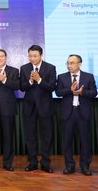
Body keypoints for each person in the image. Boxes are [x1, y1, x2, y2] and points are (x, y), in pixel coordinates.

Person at [55, 54, 97, 176]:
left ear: (79, 64)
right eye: (68, 63)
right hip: (67, 113)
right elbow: (58, 92)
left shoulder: (88, 77)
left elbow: (94, 93)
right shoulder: (62, 77)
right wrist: (70, 90)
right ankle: (69, 166)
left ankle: (85, 166)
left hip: (83, 112)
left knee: (85, 141)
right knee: (67, 141)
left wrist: (82, 92)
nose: (69, 65)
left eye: (72, 63)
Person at [19, 44, 56, 173]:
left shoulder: (50, 68)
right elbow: (22, 87)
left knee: (46, 136)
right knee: (30, 136)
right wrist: (30, 81)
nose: (32, 58)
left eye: (35, 56)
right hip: (29, 107)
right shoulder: (24, 68)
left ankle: (45, 163)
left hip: (45, 107)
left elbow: (52, 87)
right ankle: (32, 162)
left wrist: (39, 80)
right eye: (30, 56)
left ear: (41, 55)